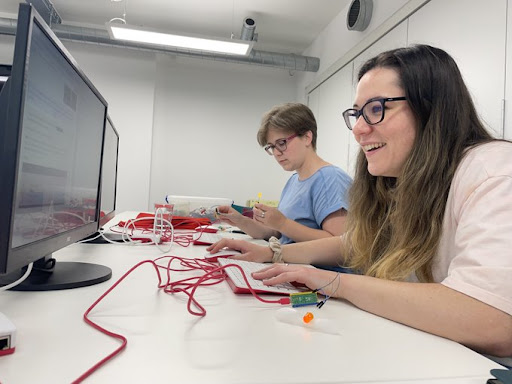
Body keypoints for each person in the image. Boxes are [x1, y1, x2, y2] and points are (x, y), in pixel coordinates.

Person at [208, 45, 512, 359]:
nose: (359, 129)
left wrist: (335, 283)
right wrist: (274, 252)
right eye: (357, 113)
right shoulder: (402, 182)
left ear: (432, 107)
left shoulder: (494, 171)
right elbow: (356, 242)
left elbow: (493, 320)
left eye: (377, 108)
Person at [217, 103, 352, 244]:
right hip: (289, 262)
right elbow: (276, 233)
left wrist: (283, 223)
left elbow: (340, 245)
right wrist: (240, 220)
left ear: (307, 137)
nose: (276, 153)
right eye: (271, 147)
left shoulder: (330, 179)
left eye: (281, 143)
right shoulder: (294, 181)